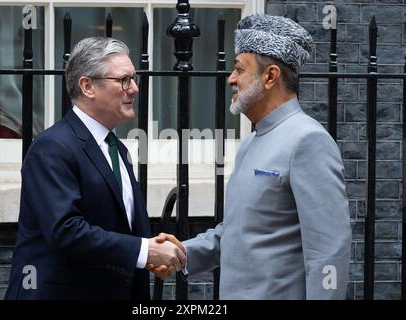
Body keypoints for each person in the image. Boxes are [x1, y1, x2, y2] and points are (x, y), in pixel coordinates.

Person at [151, 14, 352, 300]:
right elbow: (237, 233)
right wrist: (182, 253)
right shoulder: (250, 144)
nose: (231, 79)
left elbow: (329, 252)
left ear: (270, 76)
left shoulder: (308, 140)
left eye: (239, 70)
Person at [5, 37, 185, 300]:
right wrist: (144, 251)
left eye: (134, 79)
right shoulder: (52, 147)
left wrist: (152, 255)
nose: (134, 88)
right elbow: (65, 231)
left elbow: (120, 226)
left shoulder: (116, 148)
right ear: (87, 86)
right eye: (123, 80)